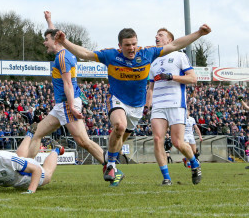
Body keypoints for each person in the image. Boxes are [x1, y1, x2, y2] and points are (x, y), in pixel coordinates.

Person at [55, 23, 211, 184]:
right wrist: (65, 42)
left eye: (134, 44)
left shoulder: (147, 53)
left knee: (121, 139)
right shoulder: (110, 56)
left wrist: (199, 33)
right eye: (127, 45)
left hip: (137, 106)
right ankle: (111, 166)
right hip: (118, 99)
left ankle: (111, 158)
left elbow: (175, 44)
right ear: (120, 46)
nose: (131, 48)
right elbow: (86, 53)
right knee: (120, 126)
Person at [28, 11, 106, 177]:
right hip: (62, 105)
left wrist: (72, 106)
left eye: (46, 40)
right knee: (37, 134)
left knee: (83, 142)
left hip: (66, 104)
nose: (44, 42)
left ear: (55, 41)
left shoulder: (62, 58)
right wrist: (49, 21)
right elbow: (54, 33)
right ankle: (24, 169)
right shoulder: (63, 53)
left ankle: (111, 166)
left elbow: (68, 84)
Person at [145, 27, 202, 185]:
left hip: (176, 104)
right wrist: (147, 105)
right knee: (157, 139)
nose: (157, 37)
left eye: (161, 35)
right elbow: (151, 88)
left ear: (170, 41)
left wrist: (171, 76)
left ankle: (194, 163)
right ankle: (166, 178)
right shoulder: (154, 60)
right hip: (158, 105)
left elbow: (192, 79)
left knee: (178, 142)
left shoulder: (179, 56)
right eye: (156, 35)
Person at [0, 137, 64, 194]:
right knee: (19, 158)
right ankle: (30, 134)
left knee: (47, 175)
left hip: (26, 175)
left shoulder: (6, 160)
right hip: (17, 170)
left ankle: (56, 150)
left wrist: (30, 191)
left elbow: (36, 170)